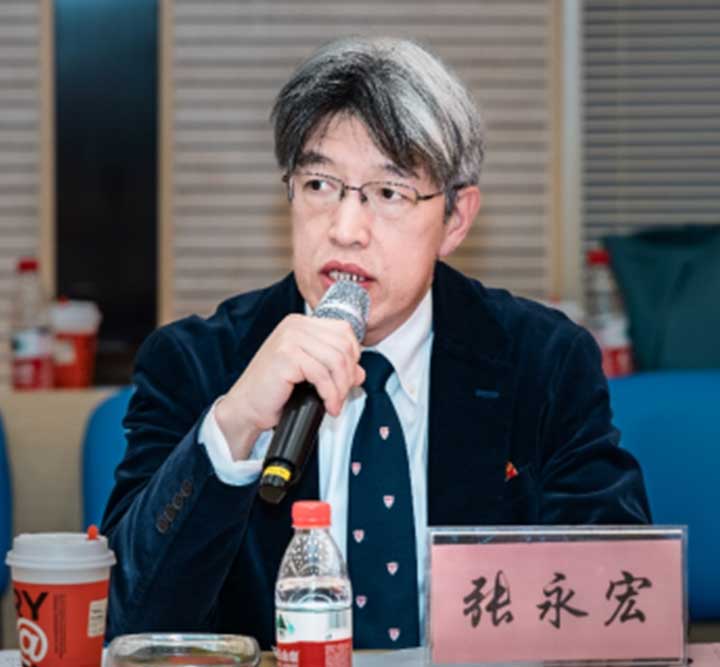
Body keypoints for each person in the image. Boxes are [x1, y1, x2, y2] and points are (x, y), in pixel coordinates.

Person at [102, 36, 650, 650]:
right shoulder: (196, 363)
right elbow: (128, 625)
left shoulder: (542, 361)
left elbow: (621, 599)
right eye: (319, 185)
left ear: (455, 219)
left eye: (389, 193)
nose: (345, 230)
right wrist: (233, 428)